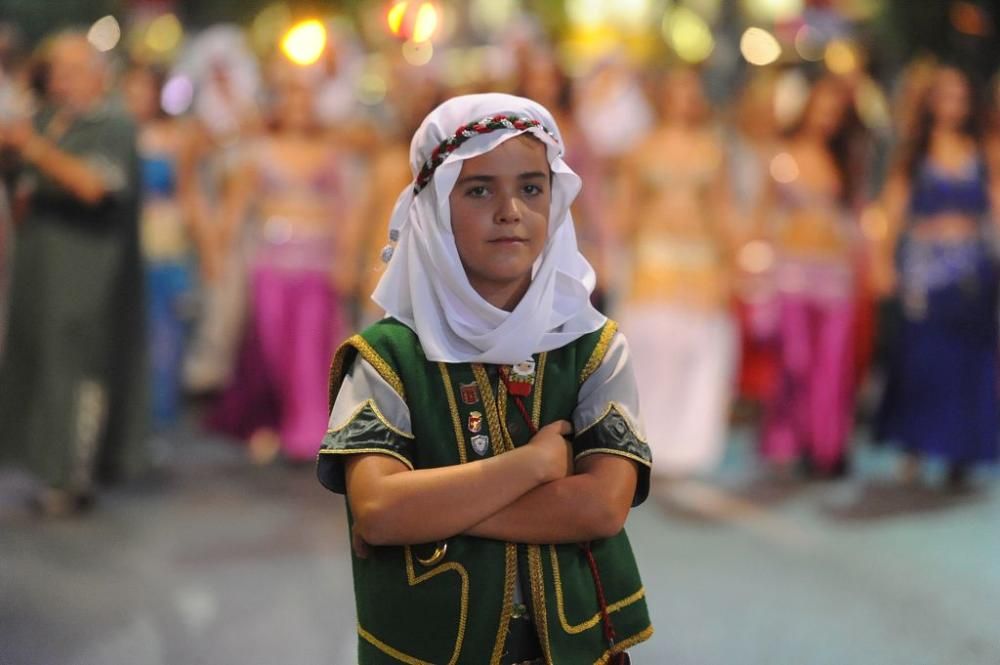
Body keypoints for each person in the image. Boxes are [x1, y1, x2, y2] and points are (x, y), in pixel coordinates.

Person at [317, 94, 653, 664]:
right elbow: (377, 510)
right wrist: (531, 468)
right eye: (478, 190)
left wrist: (429, 510)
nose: (510, 210)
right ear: (433, 208)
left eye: (530, 187)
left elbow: (600, 508)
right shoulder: (386, 355)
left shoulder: (594, 347)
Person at [0, 33, 145, 515]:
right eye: (54, 69)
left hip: (88, 273)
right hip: (38, 271)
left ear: (97, 73)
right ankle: (41, 467)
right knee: (36, 366)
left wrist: (33, 148)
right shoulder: (45, 119)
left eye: (71, 69)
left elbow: (93, 185)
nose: (60, 79)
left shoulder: (114, 123)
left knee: (77, 371)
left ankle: (71, 476)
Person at [207, 62, 362, 463]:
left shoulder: (331, 153)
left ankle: (308, 429)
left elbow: (347, 211)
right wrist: (216, 251)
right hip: (271, 263)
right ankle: (268, 423)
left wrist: (347, 260)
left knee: (311, 348)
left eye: (305, 95)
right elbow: (234, 209)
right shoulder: (257, 153)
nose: (298, 104)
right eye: (290, 94)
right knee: (269, 347)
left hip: (318, 265)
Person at [875, 65, 999, 489]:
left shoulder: (984, 151)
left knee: (967, 366)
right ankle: (914, 443)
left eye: (961, 97)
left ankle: (960, 450)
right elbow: (891, 212)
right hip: (925, 275)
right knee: (921, 362)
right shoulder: (915, 152)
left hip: (972, 275)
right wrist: (883, 260)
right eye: (945, 96)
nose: (953, 106)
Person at [615, 66, 738, 478]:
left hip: (700, 260)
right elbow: (626, 209)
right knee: (652, 355)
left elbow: (722, 210)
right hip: (653, 260)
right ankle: (649, 441)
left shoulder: (712, 149)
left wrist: (731, 263)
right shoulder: (641, 148)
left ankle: (690, 445)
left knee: (696, 355)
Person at [754, 75, 867, 478]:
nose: (827, 117)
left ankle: (829, 447)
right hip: (792, 272)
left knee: (834, 364)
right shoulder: (780, 155)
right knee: (796, 361)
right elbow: (763, 218)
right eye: (821, 107)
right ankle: (794, 440)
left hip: (835, 274)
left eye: (835, 112)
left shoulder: (845, 161)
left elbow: (856, 221)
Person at [122, 63, 193, 432]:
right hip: (125, 238)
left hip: (163, 241)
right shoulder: (118, 135)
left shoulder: (173, 137)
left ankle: (157, 417)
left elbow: (186, 194)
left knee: (163, 331)